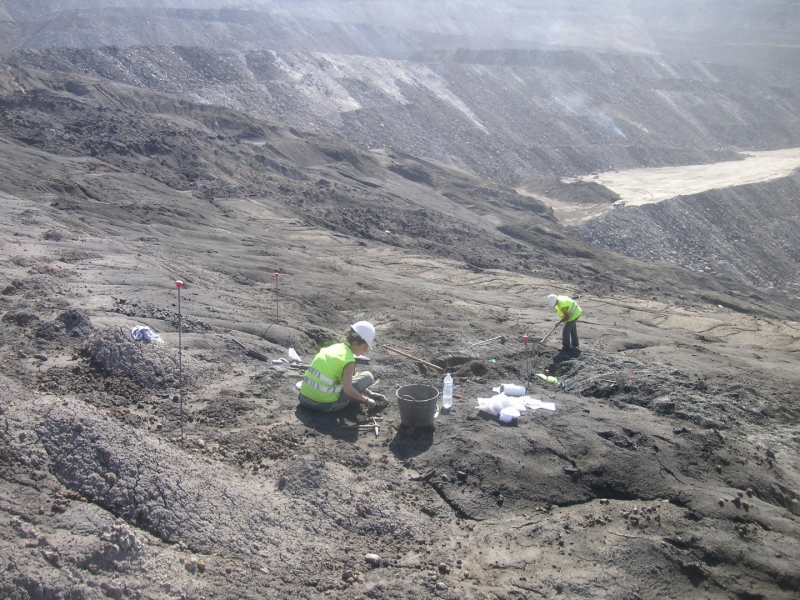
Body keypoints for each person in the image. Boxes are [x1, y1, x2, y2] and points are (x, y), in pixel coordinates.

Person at [298, 321, 387, 413]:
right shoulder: (349, 360)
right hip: (326, 405)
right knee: (368, 376)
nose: (366, 351)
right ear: (356, 343)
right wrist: (366, 400)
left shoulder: (335, 348)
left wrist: (369, 393)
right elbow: (348, 389)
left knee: (353, 379)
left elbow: (344, 380)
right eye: (365, 347)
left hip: (304, 399)